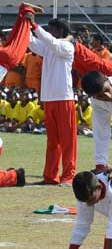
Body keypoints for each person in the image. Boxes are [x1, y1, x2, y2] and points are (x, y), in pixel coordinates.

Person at [30, 17, 77, 185]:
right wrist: (23, 23)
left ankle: (68, 176)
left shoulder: (66, 46)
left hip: (64, 98)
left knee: (68, 141)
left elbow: (50, 41)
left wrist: (34, 25)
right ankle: (50, 176)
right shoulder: (48, 46)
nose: (49, 31)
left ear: (61, 31)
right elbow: (31, 43)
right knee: (52, 141)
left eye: (52, 29)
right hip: (49, 99)